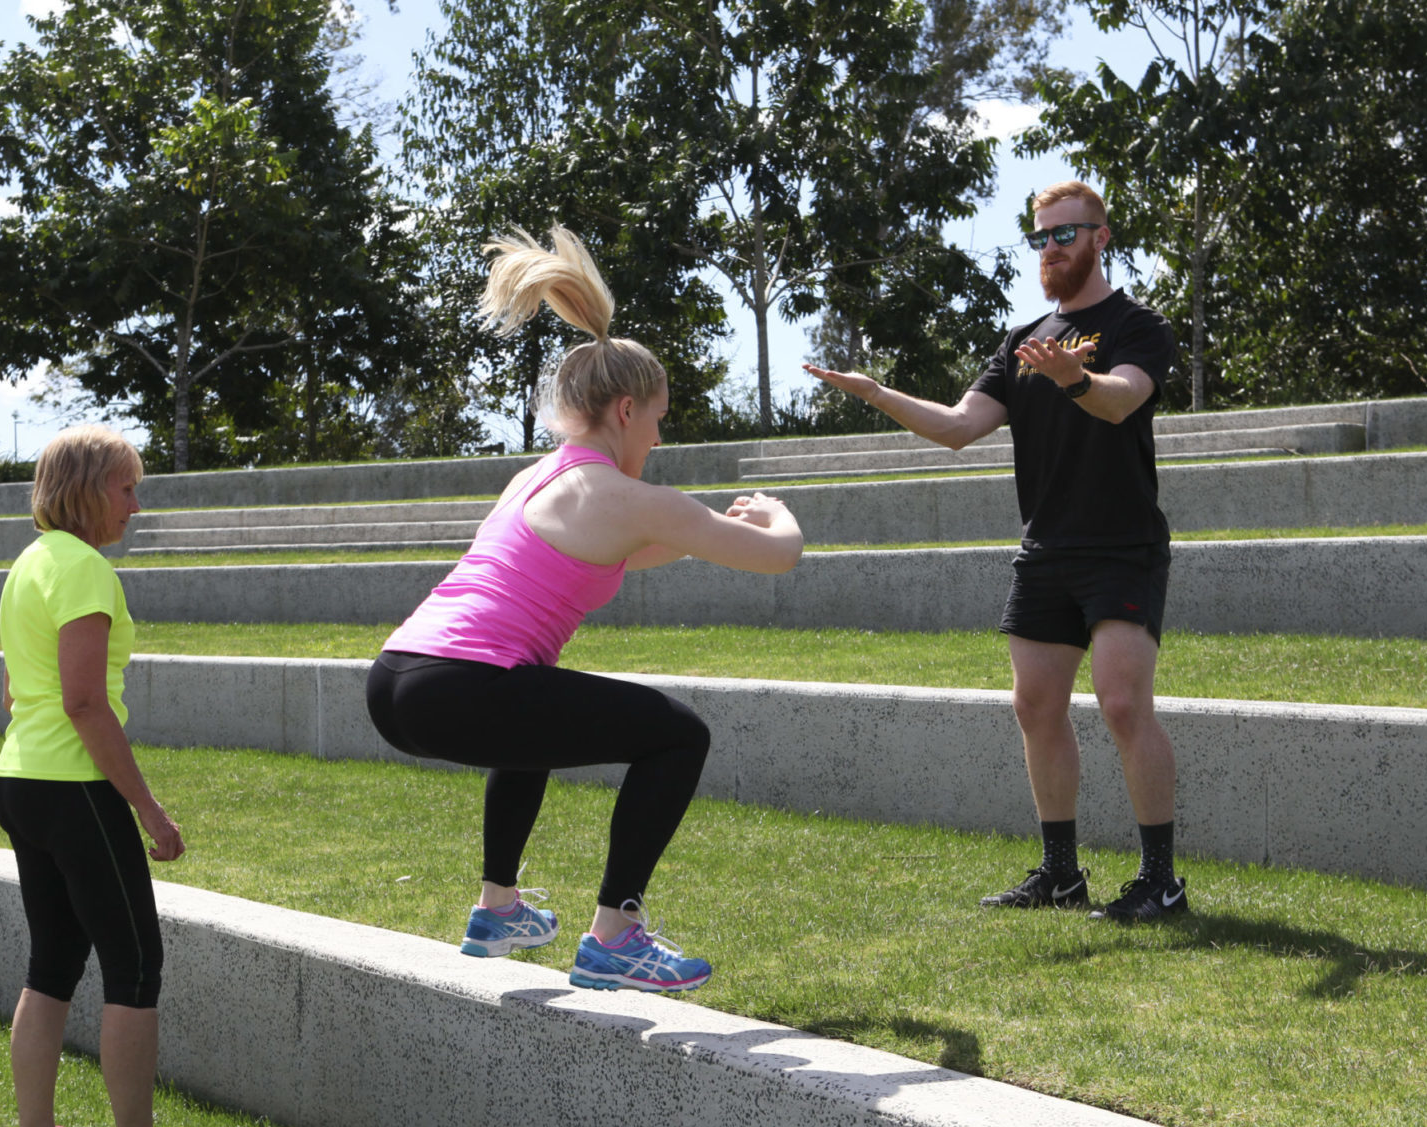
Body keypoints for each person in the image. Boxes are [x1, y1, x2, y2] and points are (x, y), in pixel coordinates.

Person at [367, 227, 804, 991]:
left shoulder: (537, 479)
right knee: (677, 736)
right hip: (461, 686)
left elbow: (636, 549)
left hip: (399, 680)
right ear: (627, 410)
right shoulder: (621, 493)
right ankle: (616, 935)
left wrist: (713, 528)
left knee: (531, 710)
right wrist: (774, 514)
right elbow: (779, 555)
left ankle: (497, 908)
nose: (660, 437)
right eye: (660, 419)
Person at [805, 180, 1188, 924]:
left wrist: (1074, 376)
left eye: (1065, 234)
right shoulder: (1021, 341)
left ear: (1101, 236)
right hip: (1045, 547)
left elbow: (1120, 400)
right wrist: (877, 392)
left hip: (1121, 545)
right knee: (1036, 704)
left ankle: (1161, 880)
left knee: (1120, 703)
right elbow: (956, 426)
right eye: (1039, 237)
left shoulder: (1136, 325)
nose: (1050, 249)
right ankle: (1060, 872)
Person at [0, 426, 237, 1127]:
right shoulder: (86, 571)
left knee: (53, 963)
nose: (137, 505)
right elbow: (85, 703)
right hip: (73, 788)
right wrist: (150, 811)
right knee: (134, 968)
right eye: (126, 488)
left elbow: (16, 694)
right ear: (88, 489)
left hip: (21, 780)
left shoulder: (28, 565)